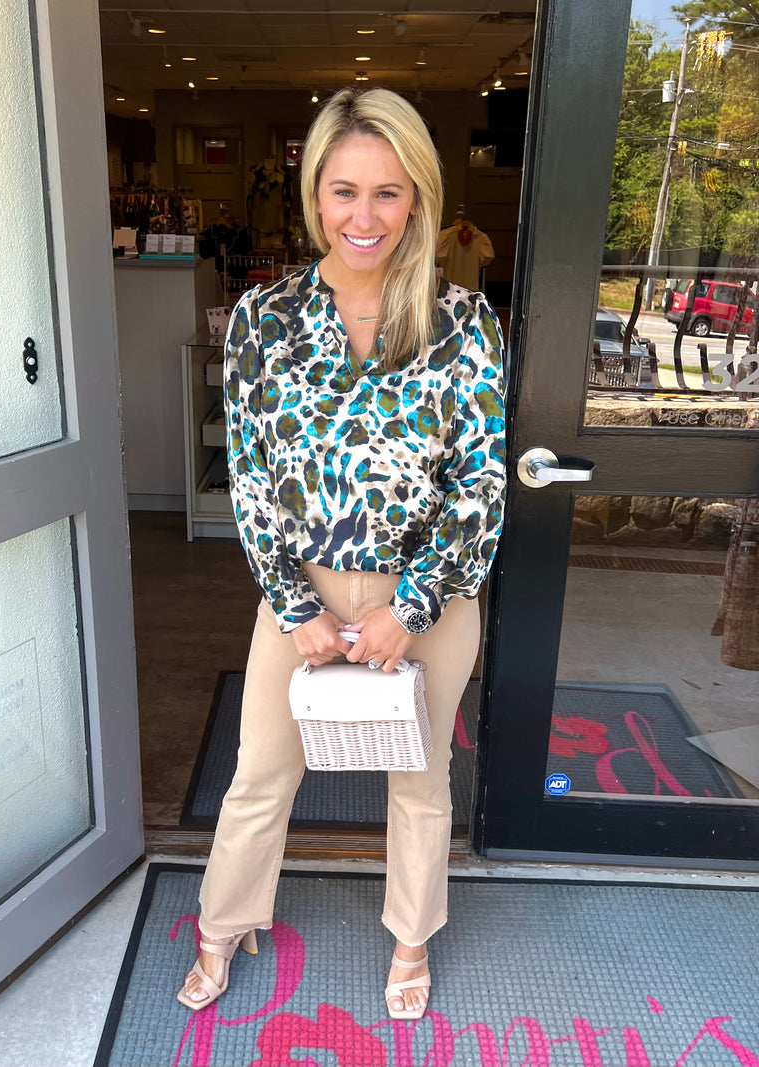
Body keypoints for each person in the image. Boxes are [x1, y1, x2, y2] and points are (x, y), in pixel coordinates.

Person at [177, 86, 506, 1020]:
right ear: (315, 194)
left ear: (418, 198)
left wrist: (412, 606)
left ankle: (411, 938)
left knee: (420, 779)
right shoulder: (265, 318)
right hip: (303, 587)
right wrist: (295, 606)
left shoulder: (462, 322)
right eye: (345, 191)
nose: (365, 216)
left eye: (388, 192)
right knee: (260, 770)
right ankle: (222, 923)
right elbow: (251, 479)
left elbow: (480, 481)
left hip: (427, 591)